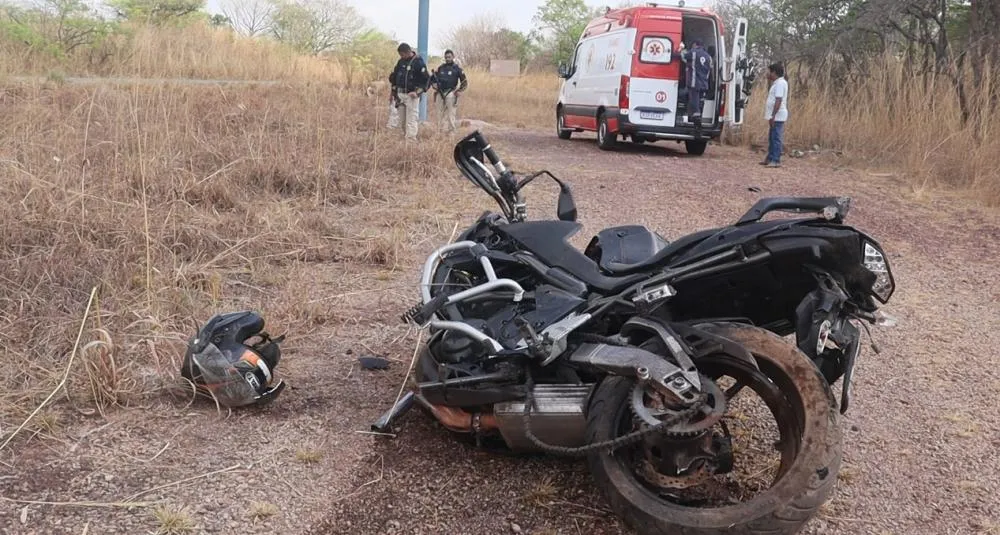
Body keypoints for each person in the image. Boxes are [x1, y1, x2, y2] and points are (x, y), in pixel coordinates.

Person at [388, 42, 430, 140]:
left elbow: (427, 81)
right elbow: (394, 78)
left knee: (411, 120)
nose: (401, 57)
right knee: (402, 121)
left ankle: (411, 142)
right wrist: (393, 93)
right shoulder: (400, 62)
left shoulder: (418, 62)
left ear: (408, 52)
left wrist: (417, 92)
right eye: (400, 55)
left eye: (402, 55)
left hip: (411, 95)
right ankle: (404, 141)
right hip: (400, 94)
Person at [430, 50, 468, 133]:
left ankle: (452, 133)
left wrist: (459, 91)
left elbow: (464, 82)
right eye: (446, 57)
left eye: (449, 57)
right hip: (440, 92)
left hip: (451, 93)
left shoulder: (457, 69)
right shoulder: (440, 68)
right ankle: (439, 132)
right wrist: (434, 84)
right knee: (439, 114)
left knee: (451, 115)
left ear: (453, 57)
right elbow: (432, 79)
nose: (447, 59)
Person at [761, 63, 789, 168]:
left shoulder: (780, 83)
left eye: (770, 72)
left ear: (774, 72)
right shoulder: (777, 83)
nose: (768, 74)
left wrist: (773, 115)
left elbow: (778, 99)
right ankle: (770, 158)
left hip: (778, 114)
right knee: (772, 137)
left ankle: (776, 160)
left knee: (776, 137)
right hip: (775, 115)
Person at [681, 39, 712, 129]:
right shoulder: (708, 57)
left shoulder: (693, 52)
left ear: (695, 44)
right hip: (704, 83)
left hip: (694, 82)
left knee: (694, 101)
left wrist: (681, 48)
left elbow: (683, 56)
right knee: (700, 100)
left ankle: (696, 120)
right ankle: (698, 117)